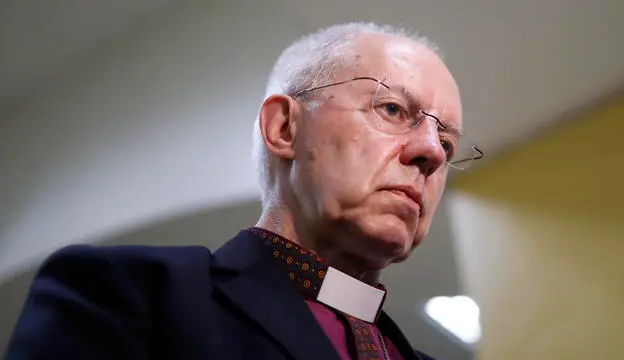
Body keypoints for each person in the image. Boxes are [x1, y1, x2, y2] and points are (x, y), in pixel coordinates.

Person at [4, 22, 482, 360]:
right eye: (394, 110)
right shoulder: (130, 296)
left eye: (446, 142)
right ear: (284, 128)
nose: (432, 153)